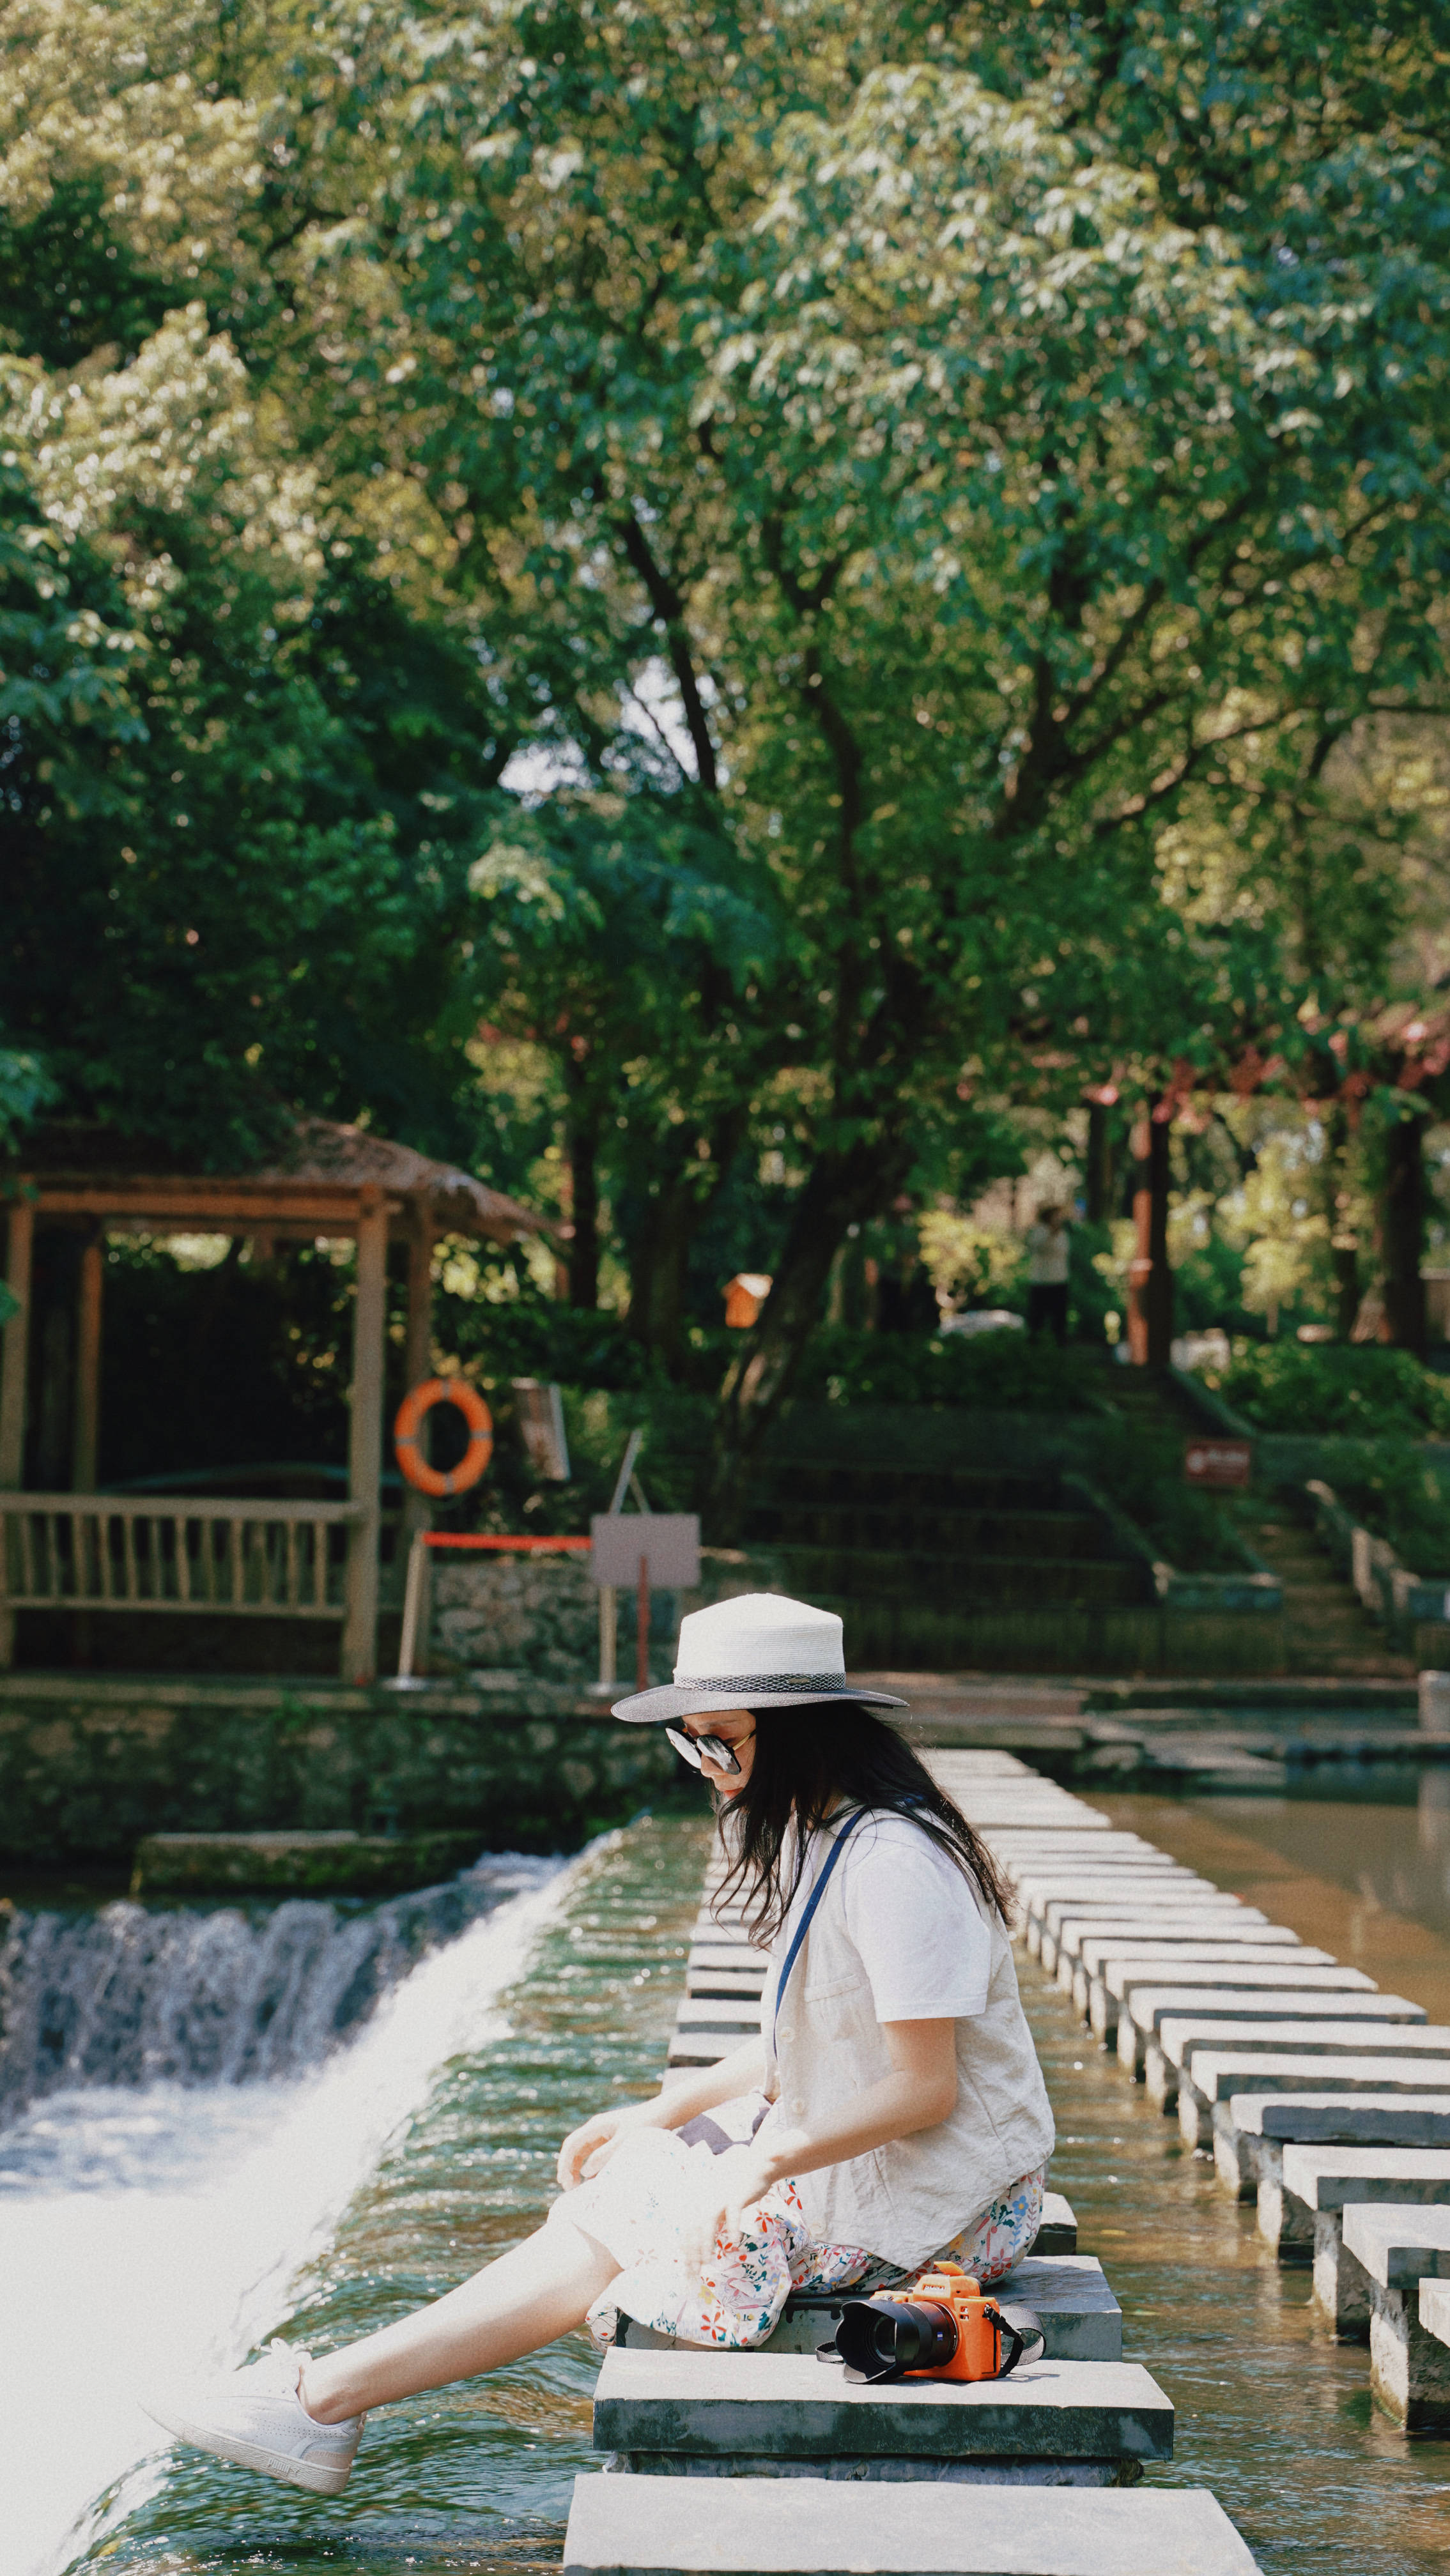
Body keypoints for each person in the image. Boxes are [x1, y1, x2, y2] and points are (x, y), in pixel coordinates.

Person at [142, 1593, 1056, 2496]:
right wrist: (664, 2107)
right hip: (872, 2155)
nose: (702, 1762)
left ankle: (322, 2400)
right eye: (687, 1739)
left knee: (637, 2205)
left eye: (719, 1739)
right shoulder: (818, 1836)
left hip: (953, 2196)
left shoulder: (895, 1862)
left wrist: (766, 2155)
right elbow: (804, 2042)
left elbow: (924, 2088)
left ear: (801, 1731)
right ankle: (322, 2403)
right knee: (632, 2181)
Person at [1025, 1202, 1072, 1344]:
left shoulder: (1063, 1233)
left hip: (1059, 1278)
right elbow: (1036, 1247)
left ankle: (1060, 1338)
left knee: (1059, 1313)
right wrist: (1050, 1235)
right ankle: (1035, 1338)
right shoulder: (1040, 1231)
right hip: (1042, 1279)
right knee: (1038, 1312)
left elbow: (1064, 1252)